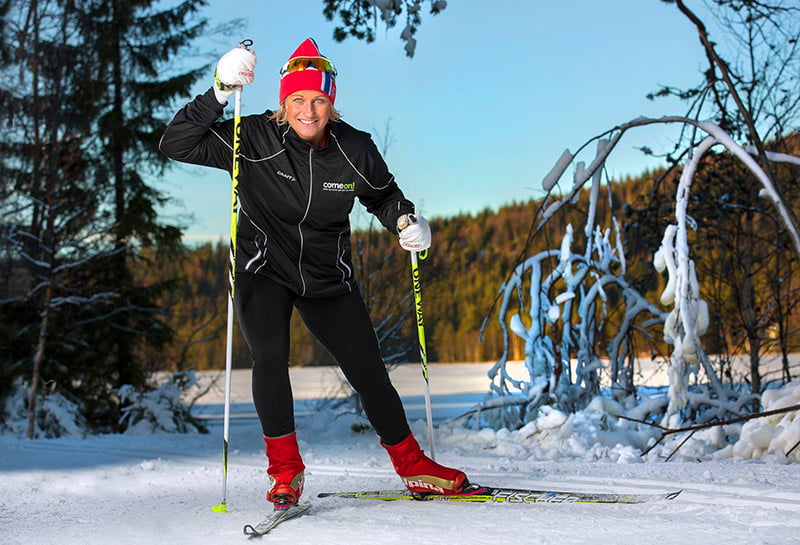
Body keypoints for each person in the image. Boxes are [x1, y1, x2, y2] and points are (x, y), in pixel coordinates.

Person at [159, 38, 468, 507]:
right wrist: (219, 90)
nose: (309, 110)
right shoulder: (253, 136)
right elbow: (176, 142)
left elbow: (383, 196)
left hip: (328, 277)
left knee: (368, 371)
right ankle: (285, 472)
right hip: (264, 268)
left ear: (332, 103)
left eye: (319, 100)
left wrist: (407, 221)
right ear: (284, 101)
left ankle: (414, 466)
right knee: (270, 355)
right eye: (299, 99)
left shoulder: (355, 148)